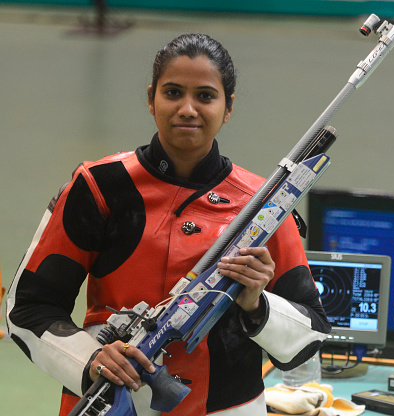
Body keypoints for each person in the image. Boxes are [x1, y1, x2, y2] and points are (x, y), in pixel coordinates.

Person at [6, 33, 331, 416]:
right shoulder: (99, 186)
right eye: (173, 92)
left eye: (206, 96)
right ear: (150, 99)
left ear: (228, 107)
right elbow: (27, 308)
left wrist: (255, 304)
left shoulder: (264, 206)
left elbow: (311, 335)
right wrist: (92, 359)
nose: (188, 109)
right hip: (109, 400)